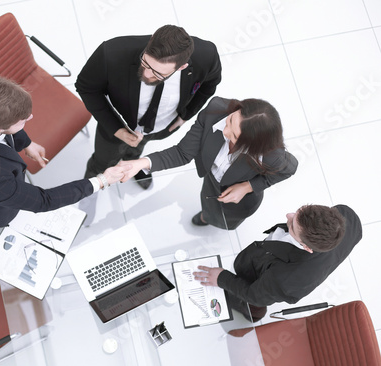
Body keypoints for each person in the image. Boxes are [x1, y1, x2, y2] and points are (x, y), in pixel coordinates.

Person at [0, 75, 128, 259]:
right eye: (23, 121)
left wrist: (26, 143)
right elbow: (43, 201)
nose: (31, 117)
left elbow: (5, 127)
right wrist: (101, 180)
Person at [75, 24, 222, 190]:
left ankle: (135, 164)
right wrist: (117, 130)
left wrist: (184, 116)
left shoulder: (207, 55)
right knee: (102, 161)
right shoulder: (111, 52)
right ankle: (91, 184)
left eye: (159, 74)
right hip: (115, 125)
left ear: (182, 67)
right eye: (145, 63)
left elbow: (211, 84)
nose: (147, 74)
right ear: (150, 41)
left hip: (160, 127)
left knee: (139, 148)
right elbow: (86, 87)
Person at [119, 97, 298, 230]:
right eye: (229, 121)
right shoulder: (216, 110)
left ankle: (210, 219)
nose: (225, 131)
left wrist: (247, 187)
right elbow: (182, 153)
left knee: (225, 219)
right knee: (207, 202)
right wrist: (141, 163)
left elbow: (289, 169)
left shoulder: (272, 155)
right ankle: (207, 216)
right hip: (211, 180)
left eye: (235, 136)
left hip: (240, 199)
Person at [193, 204, 362, 321]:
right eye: (299, 212)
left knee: (253, 303)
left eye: (293, 226)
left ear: (306, 247)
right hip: (278, 260)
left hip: (264, 282)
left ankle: (253, 314)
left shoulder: (286, 279)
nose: (288, 215)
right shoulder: (345, 215)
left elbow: (254, 295)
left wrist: (222, 278)